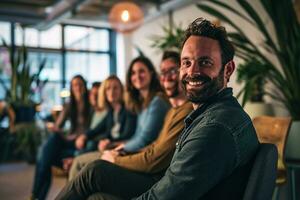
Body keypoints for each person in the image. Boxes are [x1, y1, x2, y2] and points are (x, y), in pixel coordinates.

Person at [57, 18, 260, 200]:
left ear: (228, 69)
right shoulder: (212, 113)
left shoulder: (214, 128)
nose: (192, 71)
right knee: (97, 186)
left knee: (95, 177)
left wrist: (118, 159)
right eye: (186, 63)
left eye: (205, 62)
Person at [56, 50, 193, 199]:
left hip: (154, 176)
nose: (167, 77)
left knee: (93, 169)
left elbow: (148, 148)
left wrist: (117, 154)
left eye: (173, 70)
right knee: (94, 195)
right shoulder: (162, 107)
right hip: (139, 157)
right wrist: (116, 149)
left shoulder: (160, 103)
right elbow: (153, 145)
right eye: (164, 72)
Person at [31, 75, 92, 200]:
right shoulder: (69, 105)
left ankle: (35, 196)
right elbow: (59, 125)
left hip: (81, 142)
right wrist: (56, 128)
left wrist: (79, 136)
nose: (78, 87)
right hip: (68, 140)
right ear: (71, 88)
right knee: (48, 149)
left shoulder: (91, 104)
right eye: (75, 85)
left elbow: (94, 128)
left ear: (85, 87)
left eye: (80, 84)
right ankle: (36, 196)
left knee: (45, 157)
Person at [74, 75, 137, 159]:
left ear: (121, 91)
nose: (111, 92)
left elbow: (127, 136)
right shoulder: (111, 112)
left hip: (122, 151)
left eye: (115, 88)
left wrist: (109, 143)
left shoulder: (128, 110)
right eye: (108, 88)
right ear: (104, 92)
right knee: (78, 154)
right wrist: (83, 136)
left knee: (79, 158)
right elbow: (97, 129)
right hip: (110, 148)